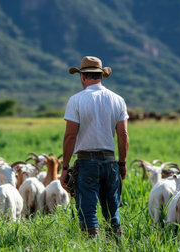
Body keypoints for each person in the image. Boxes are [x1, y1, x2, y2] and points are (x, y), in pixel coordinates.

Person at [60, 56, 129, 240]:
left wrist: (65, 167)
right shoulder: (118, 100)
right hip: (110, 162)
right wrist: (122, 163)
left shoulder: (76, 100)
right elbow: (123, 135)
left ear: (82, 77)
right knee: (112, 212)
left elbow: (70, 136)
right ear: (102, 76)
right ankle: (116, 246)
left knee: (88, 213)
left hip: (86, 163)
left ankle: (90, 246)